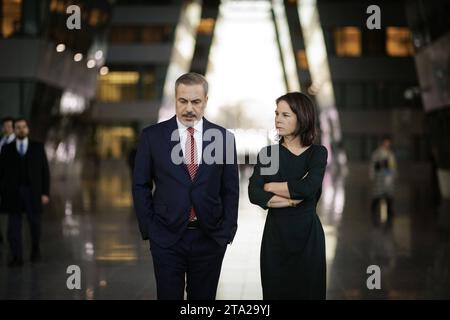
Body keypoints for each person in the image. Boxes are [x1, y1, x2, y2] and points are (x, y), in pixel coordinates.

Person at [132, 72, 239, 300]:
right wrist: (150, 227)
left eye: (196, 101)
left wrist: (226, 231)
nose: (189, 108)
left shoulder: (224, 138)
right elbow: (140, 185)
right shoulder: (152, 137)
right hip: (166, 237)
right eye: (183, 101)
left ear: (206, 101)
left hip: (209, 238)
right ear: (175, 99)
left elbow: (230, 189)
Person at [248, 92, 328, 300]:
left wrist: (271, 186)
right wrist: (292, 199)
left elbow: (308, 188)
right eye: (276, 114)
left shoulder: (317, 153)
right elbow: (254, 192)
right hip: (276, 239)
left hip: (308, 238)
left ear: (302, 117)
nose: (278, 119)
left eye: (285, 115)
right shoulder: (268, 154)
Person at [0, 118, 50, 267]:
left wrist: (45, 193)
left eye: (23, 127)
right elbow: (2, 173)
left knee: (34, 224)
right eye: (18, 128)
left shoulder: (38, 147)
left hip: (33, 192)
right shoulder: (7, 149)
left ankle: (35, 249)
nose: (21, 130)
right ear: (14, 130)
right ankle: (17, 256)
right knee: (13, 227)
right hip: (13, 192)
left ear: (27, 129)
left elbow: (44, 171)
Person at [369, 137, 397, 227]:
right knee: (377, 196)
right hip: (380, 179)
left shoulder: (391, 154)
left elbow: (393, 167)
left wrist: (393, 175)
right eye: (386, 143)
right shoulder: (377, 154)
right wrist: (373, 175)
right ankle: (373, 211)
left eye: (388, 144)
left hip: (388, 179)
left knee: (389, 197)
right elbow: (373, 166)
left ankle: (390, 212)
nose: (387, 145)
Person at [0, 117, 16, 244]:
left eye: (10, 126)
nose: (7, 129)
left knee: (12, 214)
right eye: (5, 126)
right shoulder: (1, 142)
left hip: (11, 183)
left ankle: (12, 239)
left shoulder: (18, 144)